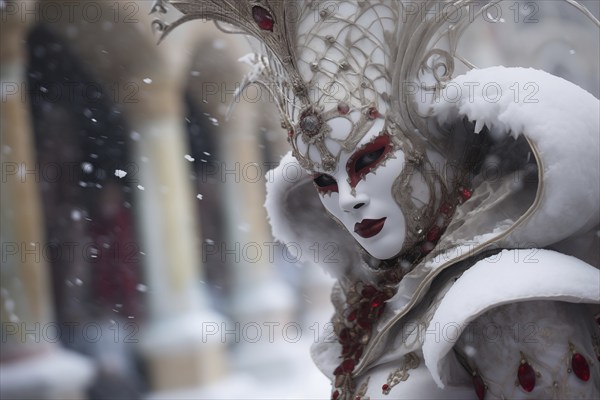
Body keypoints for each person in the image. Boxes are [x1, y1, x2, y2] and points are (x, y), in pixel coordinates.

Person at [153, 1, 600, 398]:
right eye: (324, 182)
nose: (348, 199)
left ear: (425, 148)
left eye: (369, 159)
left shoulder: (506, 300)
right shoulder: (380, 299)